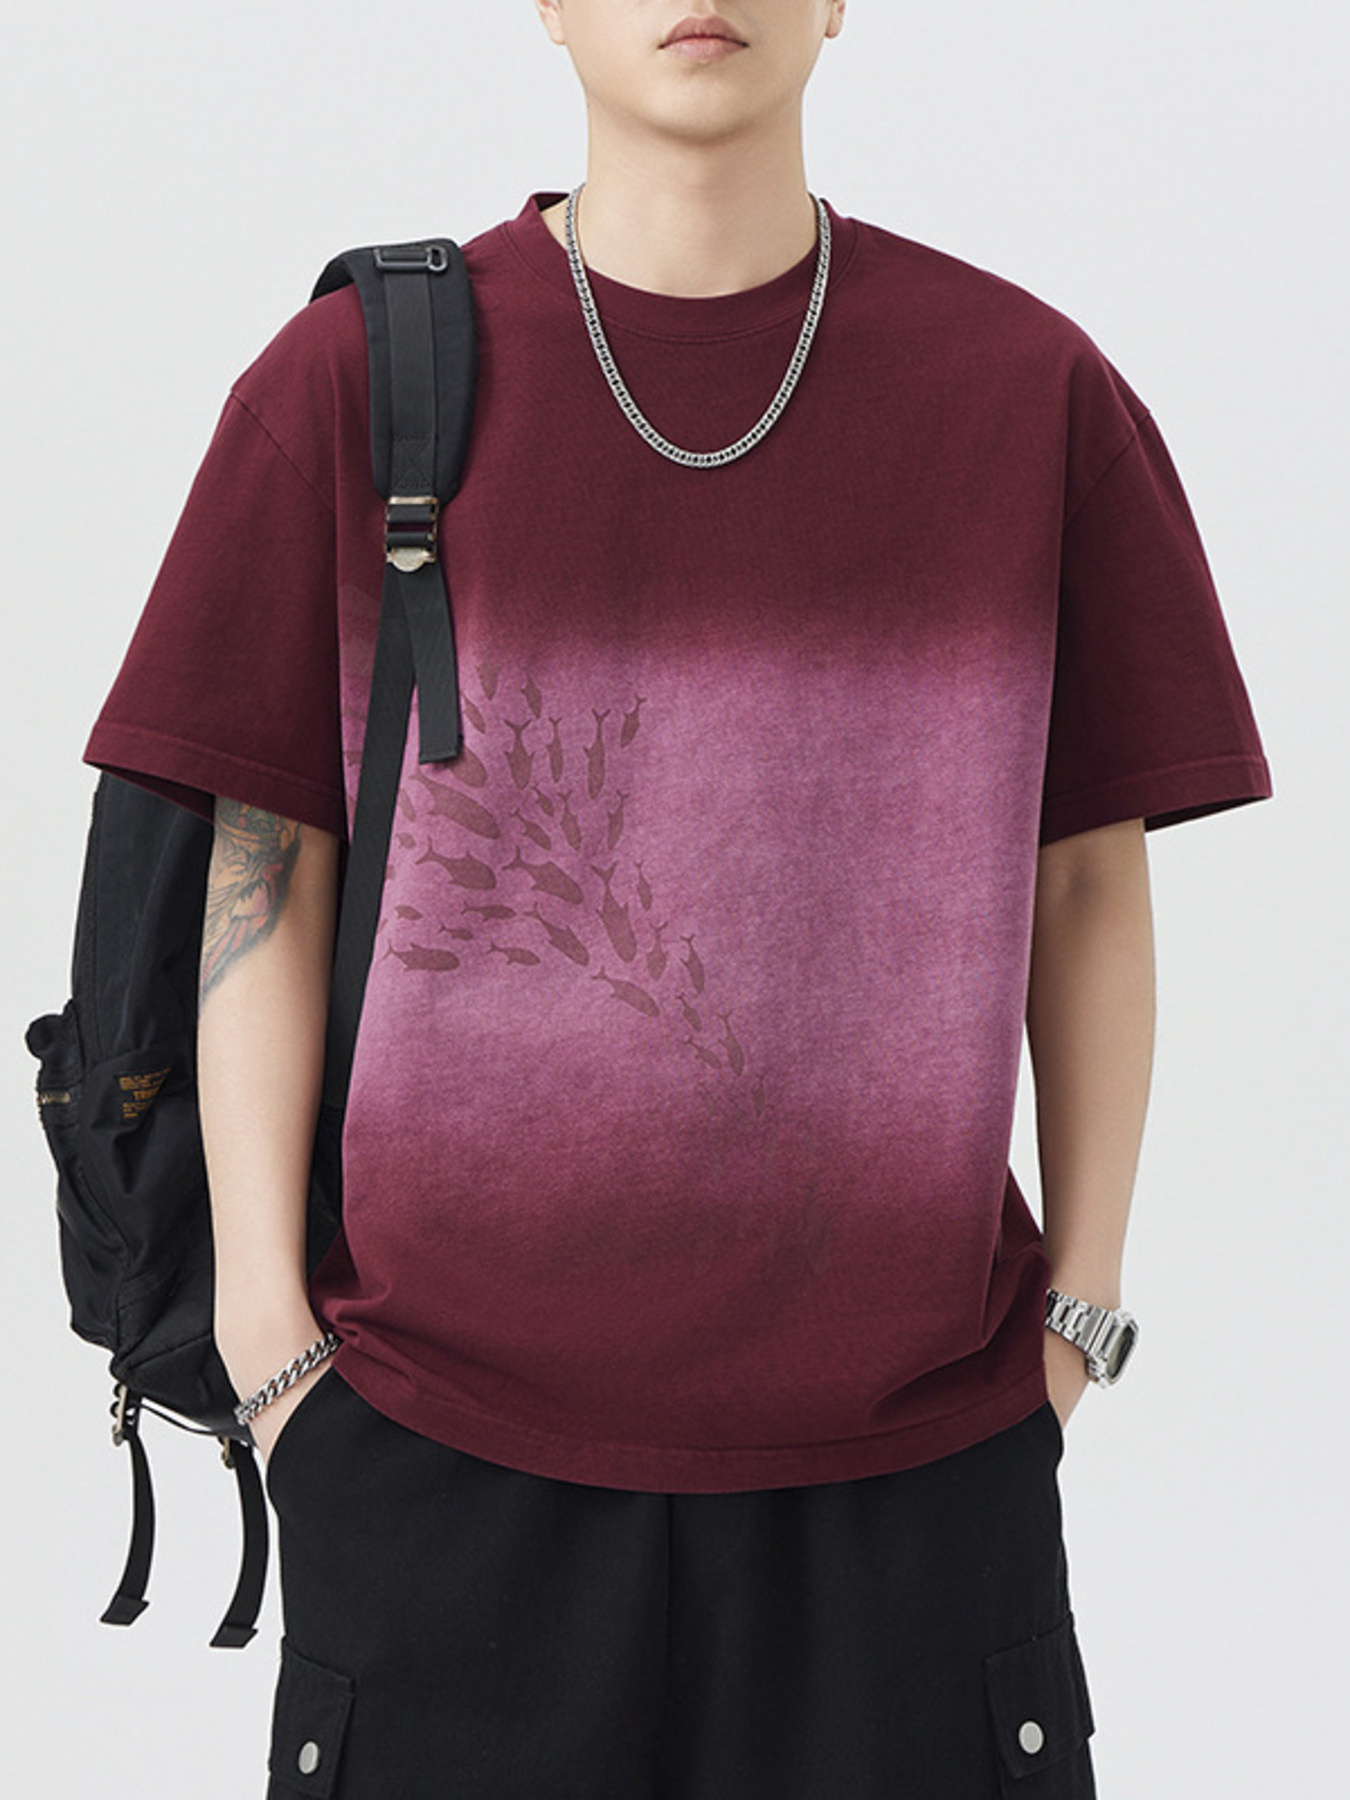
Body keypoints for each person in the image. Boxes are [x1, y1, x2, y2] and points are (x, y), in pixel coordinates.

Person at [81, 3, 1273, 1795]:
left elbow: (1090, 871)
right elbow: (268, 865)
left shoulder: (1025, 393)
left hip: (913, 1482)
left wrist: (1078, 1312)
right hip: (434, 1461)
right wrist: (269, 1342)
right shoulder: (350, 386)